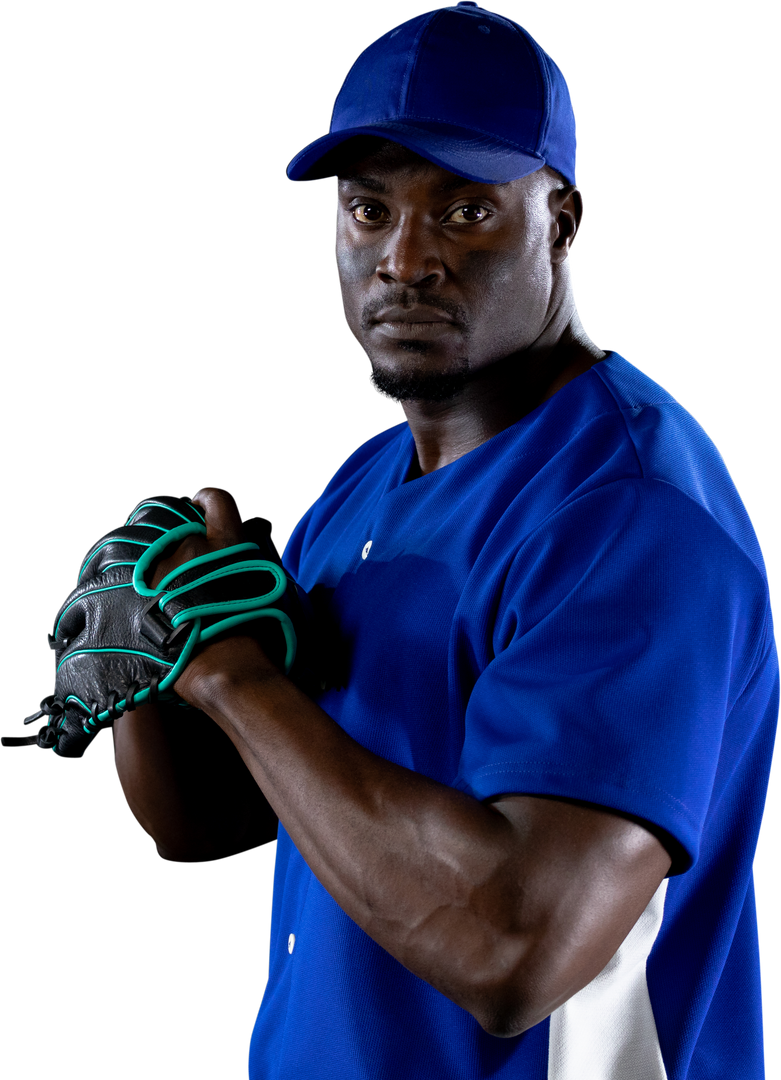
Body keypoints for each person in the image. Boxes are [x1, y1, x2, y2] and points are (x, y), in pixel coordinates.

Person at [112, 4, 777, 1077]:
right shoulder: (362, 484)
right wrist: (156, 653)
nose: (403, 260)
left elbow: (516, 946)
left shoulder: (630, 516)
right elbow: (216, 830)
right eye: (368, 210)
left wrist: (236, 681)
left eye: (464, 212)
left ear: (560, 219)